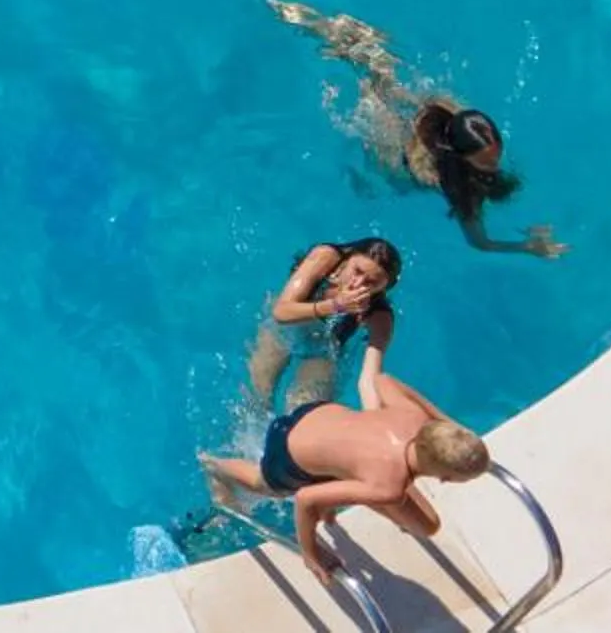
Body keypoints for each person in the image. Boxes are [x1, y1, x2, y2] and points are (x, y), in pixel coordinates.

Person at [266, 0, 567, 258]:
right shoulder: (448, 181)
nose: (496, 163)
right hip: (396, 159)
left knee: (382, 78)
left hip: (416, 129)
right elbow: (480, 242)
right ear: (459, 155)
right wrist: (527, 247)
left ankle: (346, 42)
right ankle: (312, 26)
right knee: (370, 175)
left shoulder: (453, 111)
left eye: (495, 154)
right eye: (487, 160)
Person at [201, 344, 492, 577]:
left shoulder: (413, 417)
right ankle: (214, 466)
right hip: (288, 452)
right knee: (262, 483)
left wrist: (442, 419)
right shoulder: (387, 486)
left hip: (313, 413)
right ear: (445, 478)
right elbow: (304, 499)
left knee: (350, 466)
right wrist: (311, 553)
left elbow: (383, 380)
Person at [248, 236, 400, 413]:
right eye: (357, 271)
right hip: (286, 329)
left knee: (302, 411)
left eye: (371, 283)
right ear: (347, 260)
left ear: (382, 289)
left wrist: (374, 416)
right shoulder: (324, 258)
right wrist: (335, 306)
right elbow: (281, 312)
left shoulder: (379, 315)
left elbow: (370, 377)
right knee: (258, 394)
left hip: (322, 350)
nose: (357, 283)